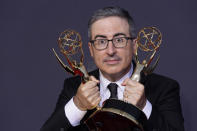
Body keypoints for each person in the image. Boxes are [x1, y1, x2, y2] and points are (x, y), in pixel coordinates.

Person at [41, 6, 184, 131]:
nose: (110, 50)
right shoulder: (74, 87)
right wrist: (77, 105)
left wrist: (144, 106)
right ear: (91, 49)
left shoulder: (164, 88)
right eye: (101, 41)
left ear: (134, 45)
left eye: (119, 40)